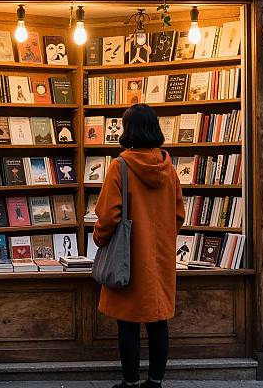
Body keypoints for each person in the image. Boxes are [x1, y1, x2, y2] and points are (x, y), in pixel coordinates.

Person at [93, 103, 184, 388]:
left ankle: (130, 383)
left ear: (128, 130)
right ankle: (155, 382)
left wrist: (99, 237)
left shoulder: (120, 167)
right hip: (161, 257)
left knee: (127, 323)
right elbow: (179, 214)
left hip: (129, 257)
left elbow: (108, 216)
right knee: (158, 321)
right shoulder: (169, 168)